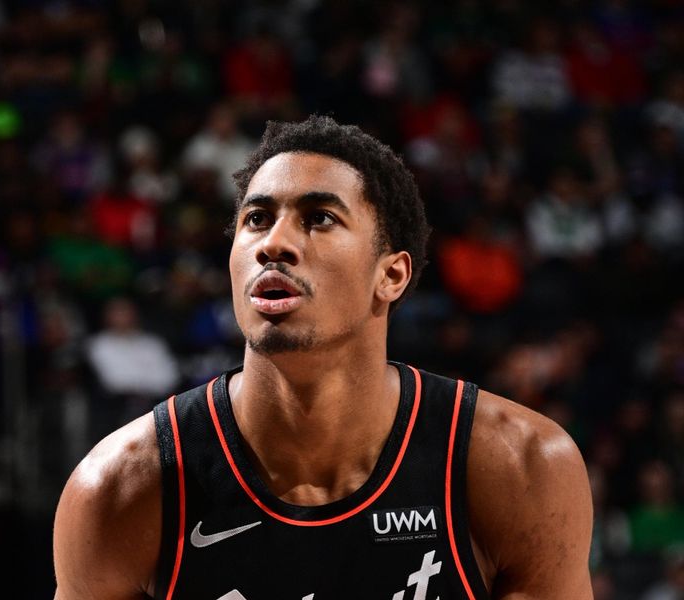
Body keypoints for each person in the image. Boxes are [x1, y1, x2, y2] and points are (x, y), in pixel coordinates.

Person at [52, 115, 593, 599]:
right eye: (257, 219)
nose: (274, 243)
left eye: (319, 218)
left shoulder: (518, 468)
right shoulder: (122, 489)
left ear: (392, 275)